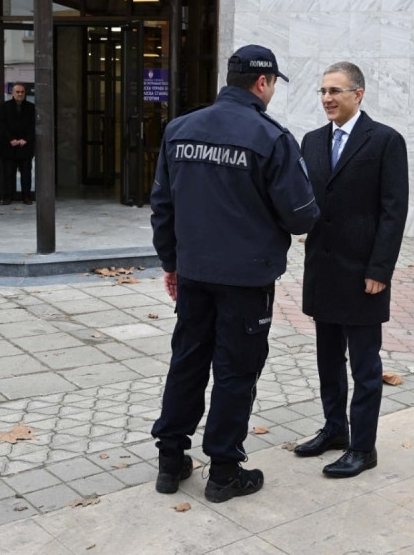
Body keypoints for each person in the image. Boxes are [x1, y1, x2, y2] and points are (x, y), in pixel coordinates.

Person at [150, 45, 320, 503]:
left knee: (187, 360)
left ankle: (171, 461)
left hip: (195, 274)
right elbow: (302, 216)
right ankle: (224, 471)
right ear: (263, 83)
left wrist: (171, 263)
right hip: (246, 280)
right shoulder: (270, 137)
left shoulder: (179, 129)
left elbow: (162, 206)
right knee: (235, 371)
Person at [294, 61, 409, 478]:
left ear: (358, 94)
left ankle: (364, 447)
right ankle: (334, 430)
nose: (327, 98)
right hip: (323, 271)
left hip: (364, 275)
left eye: (336, 91)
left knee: (365, 368)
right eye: (323, 90)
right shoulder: (310, 141)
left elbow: (394, 212)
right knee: (328, 360)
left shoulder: (385, 141)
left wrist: (380, 269)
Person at [0, 83, 35, 205]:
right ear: (12, 93)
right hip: (9, 146)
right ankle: (7, 196)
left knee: (26, 174)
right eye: (17, 92)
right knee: (8, 174)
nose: (20, 94)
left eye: (22, 92)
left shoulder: (31, 107)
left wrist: (26, 139)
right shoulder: (5, 106)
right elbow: (2, 125)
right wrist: (11, 139)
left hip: (25, 146)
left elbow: (33, 126)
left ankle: (27, 196)